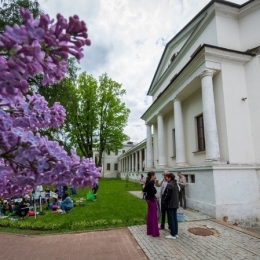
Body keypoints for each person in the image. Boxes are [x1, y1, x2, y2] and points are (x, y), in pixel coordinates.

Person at [162, 173, 179, 239]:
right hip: (175, 203)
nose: (166, 178)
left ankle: (172, 234)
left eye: (167, 177)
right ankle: (176, 232)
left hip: (170, 204)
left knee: (171, 219)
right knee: (174, 218)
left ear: (170, 178)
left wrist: (164, 201)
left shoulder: (169, 185)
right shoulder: (175, 184)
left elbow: (167, 195)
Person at [143, 171, 159, 237]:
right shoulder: (151, 182)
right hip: (152, 199)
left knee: (149, 215)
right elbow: (155, 191)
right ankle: (154, 232)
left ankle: (149, 230)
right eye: (154, 175)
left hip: (148, 199)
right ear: (152, 176)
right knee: (153, 215)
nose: (155, 176)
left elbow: (144, 190)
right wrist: (154, 183)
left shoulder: (147, 181)